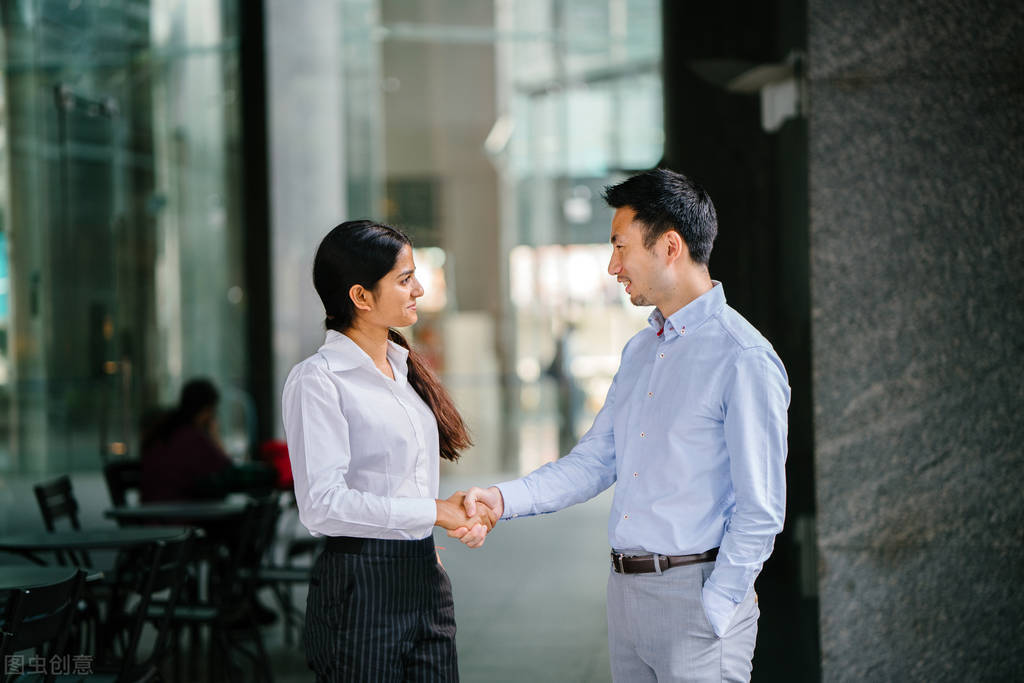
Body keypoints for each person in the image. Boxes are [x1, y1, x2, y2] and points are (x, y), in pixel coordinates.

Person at [452, 169, 790, 682]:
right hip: (626, 597)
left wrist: (718, 604)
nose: (613, 266)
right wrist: (503, 499)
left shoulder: (742, 357)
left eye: (620, 247)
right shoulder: (640, 350)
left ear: (670, 246)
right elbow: (594, 461)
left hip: (696, 602)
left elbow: (761, 508)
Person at [281, 220, 497, 682]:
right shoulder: (319, 380)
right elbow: (322, 505)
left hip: (423, 576)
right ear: (361, 296)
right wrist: (434, 512)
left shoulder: (403, 369)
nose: (419, 289)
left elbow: (404, 484)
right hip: (361, 586)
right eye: (405, 279)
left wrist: (443, 521)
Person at [140, 378, 270, 502]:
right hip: (174, 511)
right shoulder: (192, 437)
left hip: (151, 508)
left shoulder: (165, 430)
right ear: (207, 410)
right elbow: (228, 471)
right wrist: (215, 437)